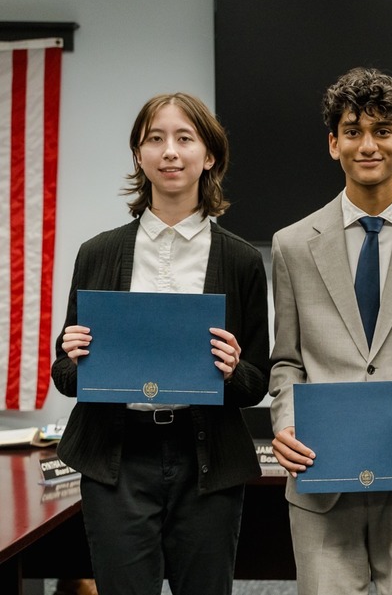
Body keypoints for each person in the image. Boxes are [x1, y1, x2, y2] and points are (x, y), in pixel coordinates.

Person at [51, 92, 271, 594]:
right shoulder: (98, 253)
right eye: (155, 139)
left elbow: (256, 383)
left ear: (209, 156)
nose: (169, 151)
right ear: (139, 156)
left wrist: (233, 368)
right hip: (117, 458)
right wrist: (72, 354)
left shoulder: (239, 260)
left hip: (206, 460)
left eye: (184, 138)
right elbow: (65, 377)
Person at [268, 67, 392, 595]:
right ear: (333, 142)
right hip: (321, 479)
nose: (368, 144)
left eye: (383, 130)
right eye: (353, 130)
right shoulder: (292, 245)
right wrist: (287, 426)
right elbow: (286, 359)